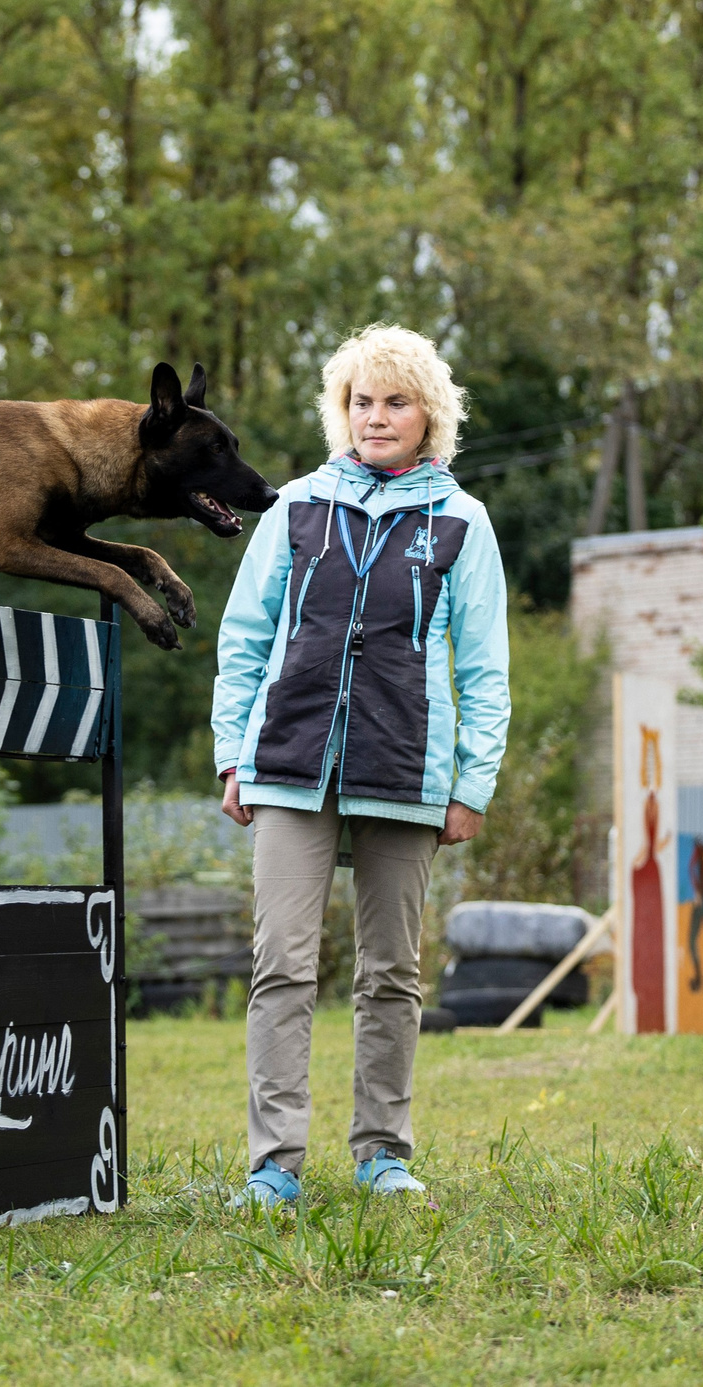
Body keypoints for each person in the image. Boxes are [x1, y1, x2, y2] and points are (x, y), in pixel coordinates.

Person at [211, 323, 510, 1208]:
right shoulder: (299, 506)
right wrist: (234, 752)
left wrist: (472, 783)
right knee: (283, 964)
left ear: (430, 417)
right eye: (362, 401)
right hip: (291, 760)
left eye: (397, 401)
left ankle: (382, 1151)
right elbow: (245, 638)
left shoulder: (460, 521)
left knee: (390, 971)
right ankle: (275, 1162)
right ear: (343, 411)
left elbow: (485, 665)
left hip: (408, 768)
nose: (376, 417)